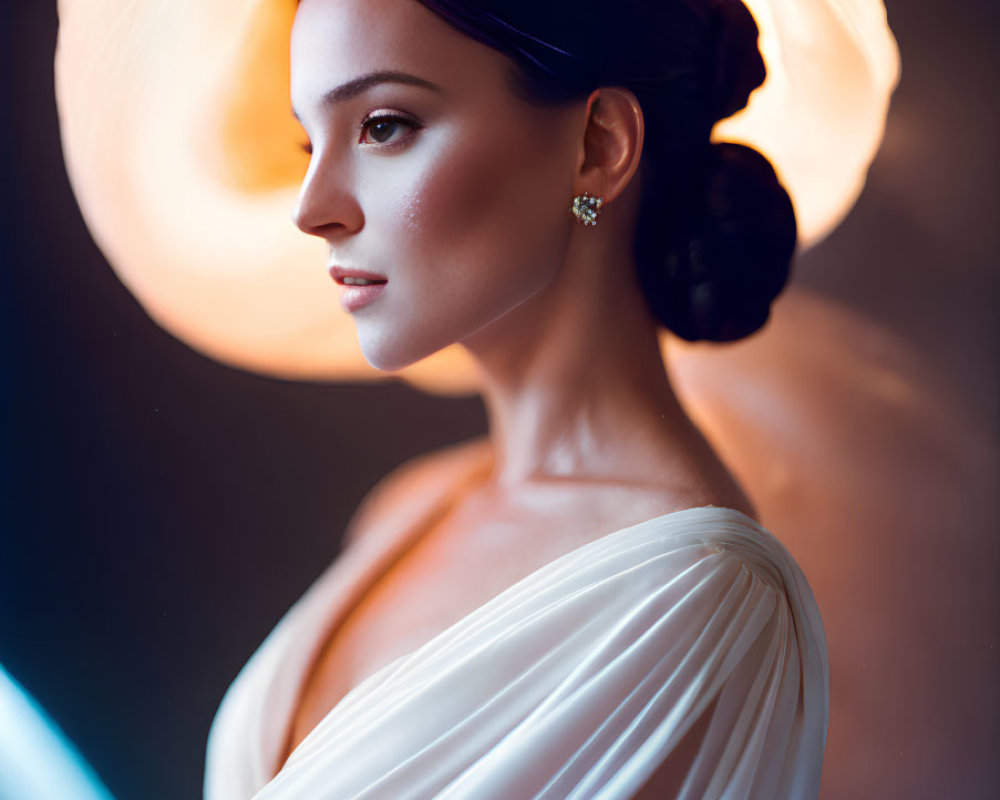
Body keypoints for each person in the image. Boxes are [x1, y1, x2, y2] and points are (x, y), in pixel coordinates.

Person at [203, 1, 828, 798]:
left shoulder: (694, 604)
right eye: (307, 140)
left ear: (598, 149)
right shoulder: (408, 507)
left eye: (384, 125)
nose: (312, 207)